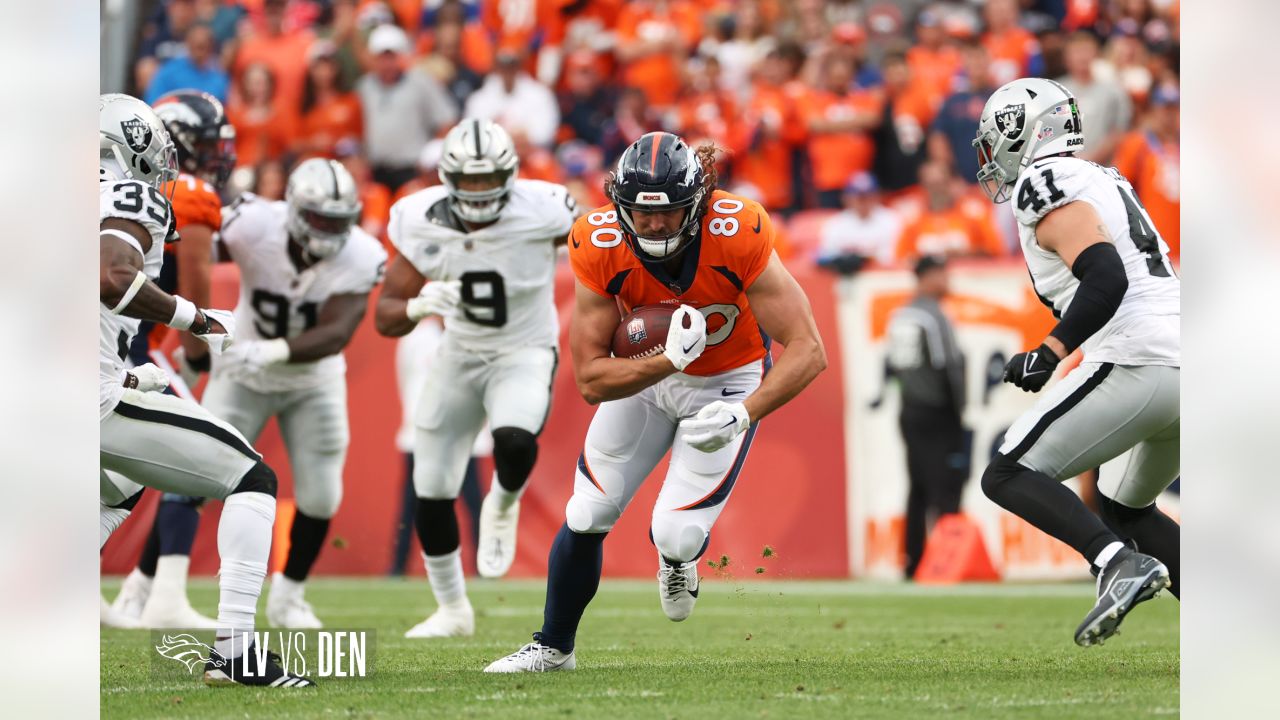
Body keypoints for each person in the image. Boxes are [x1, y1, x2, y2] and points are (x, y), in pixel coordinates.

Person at [484, 132, 827, 673]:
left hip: (726, 380)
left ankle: (677, 559)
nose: (655, 225)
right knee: (587, 511)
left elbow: (809, 349)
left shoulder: (737, 231)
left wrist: (744, 413)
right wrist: (667, 362)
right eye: (642, 215)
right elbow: (593, 381)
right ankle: (553, 647)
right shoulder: (595, 241)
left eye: (670, 211)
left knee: (675, 530)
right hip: (646, 383)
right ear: (620, 206)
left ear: (698, 201)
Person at [98, 93, 310, 687]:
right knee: (252, 478)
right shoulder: (128, 192)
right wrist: (197, 318)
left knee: (110, 493)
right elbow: (111, 277)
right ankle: (236, 650)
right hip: (88, 402)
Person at [972, 77, 1178, 646]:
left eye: (994, 140)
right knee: (1124, 507)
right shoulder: (1100, 176)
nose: (991, 158)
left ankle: (1116, 564)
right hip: (1185, 359)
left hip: (1140, 356)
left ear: (1022, 132)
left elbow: (1106, 274)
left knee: (1007, 472)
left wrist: (1052, 349)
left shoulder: (1045, 179)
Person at [375, 119, 578, 638]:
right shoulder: (418, 218)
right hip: (460, 353)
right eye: (470, 180)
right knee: (432, 484)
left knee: (513, 437)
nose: (481, 191)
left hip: (525, 349)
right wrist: (419, 303)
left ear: (509, 176)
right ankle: (451, 609)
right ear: (448, 178)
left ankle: (503, 503)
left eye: (490, 180)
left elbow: (603, 248)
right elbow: (386, 314)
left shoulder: (546, 208)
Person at [209, 159, 385, 628]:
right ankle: (151, 586)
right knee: (192, 476)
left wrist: (274, 351)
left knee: (322, 494)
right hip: (242, 373)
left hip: (311, 379)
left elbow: (337, 332)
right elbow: (188, 254)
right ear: (294, 208)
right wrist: (191, 335)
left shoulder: (362, 254)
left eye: (338, 220)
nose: (329, 230)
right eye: (320, 218)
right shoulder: (252, 224)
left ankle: (289, 596)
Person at [107, 90, 237, 630]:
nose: (214, 155)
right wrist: (196, 338)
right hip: (135, 348)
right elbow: (197, 281)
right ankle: (167, 595)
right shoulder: (184, 194)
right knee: (209, 465)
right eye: (206, 144)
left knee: (118, 482)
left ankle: (135, 592)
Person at [886, 255, 967, 580]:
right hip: (936, 411)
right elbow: (948, 366)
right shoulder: (933, 317)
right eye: (942, 274)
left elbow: (893, 370)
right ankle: (947, 563)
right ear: (927, 276)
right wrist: (958, 412)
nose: (947, 280)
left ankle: (913, 561)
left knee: (917, 487)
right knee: (944, 488)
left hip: (908, 409)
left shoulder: (900, 315)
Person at [357, 23, 458, 193]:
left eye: (391, 57)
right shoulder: (365, 86)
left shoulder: (421, 82)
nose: (387, 63)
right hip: (375, 170)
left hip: (411, 169)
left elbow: (446, 121)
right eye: (382, 57)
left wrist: (431, 156)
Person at [1111, 82, 1179, 262]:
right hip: (1154, 250)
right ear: (1153, 110)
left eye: (1174, 109)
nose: (1170, 115)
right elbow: (1118, 192)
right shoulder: (1137, 145)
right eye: (1165, 108)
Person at [895, 160, 1005, 262]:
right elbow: (900, 259)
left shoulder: (974, 213)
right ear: (923, 186)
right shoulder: (913, 220)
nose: (937, 190)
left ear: (950, 182)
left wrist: (964, 254)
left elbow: (996, 252)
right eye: (931, 185)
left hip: (970, 276)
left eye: (941, 183)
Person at [1056, 31, 1132, 164]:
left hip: (1101, 170)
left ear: (1096, 54)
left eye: (1086, 50)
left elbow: (1118, 131)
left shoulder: (1113, 91)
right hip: (1063, 168)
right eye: (1077, 51)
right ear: (1066, 57)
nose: (1082, 57)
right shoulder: (1056, 91)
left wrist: (1089, 159)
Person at [463, 49, 561, 149]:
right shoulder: (479, 98)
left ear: (520, 66)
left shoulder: (540, 94)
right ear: (496, 67)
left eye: (512, 66)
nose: (507, 72)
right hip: (492, 154)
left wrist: (524, 138)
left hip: (530, 152)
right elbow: (473, 133)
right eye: (503, 66)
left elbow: (546, 133)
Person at [816, 172, 901, 274]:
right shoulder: (835, 224)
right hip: (845, 277)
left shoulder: (891, 220)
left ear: (876, 196)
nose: (863, 202)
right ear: (847, 198)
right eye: (858, 197)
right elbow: (826, 256)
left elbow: (891, 258)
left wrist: (863, 260)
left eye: (867, 196)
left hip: (879, 276)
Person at [145, 23, 231, 104]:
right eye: (195, 45)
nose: (199, 52)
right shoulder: (169, 72)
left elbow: (225, 108)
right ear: (188, 43)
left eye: (203, 47)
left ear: (211, 47)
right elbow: (154, 102)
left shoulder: (219, 77)